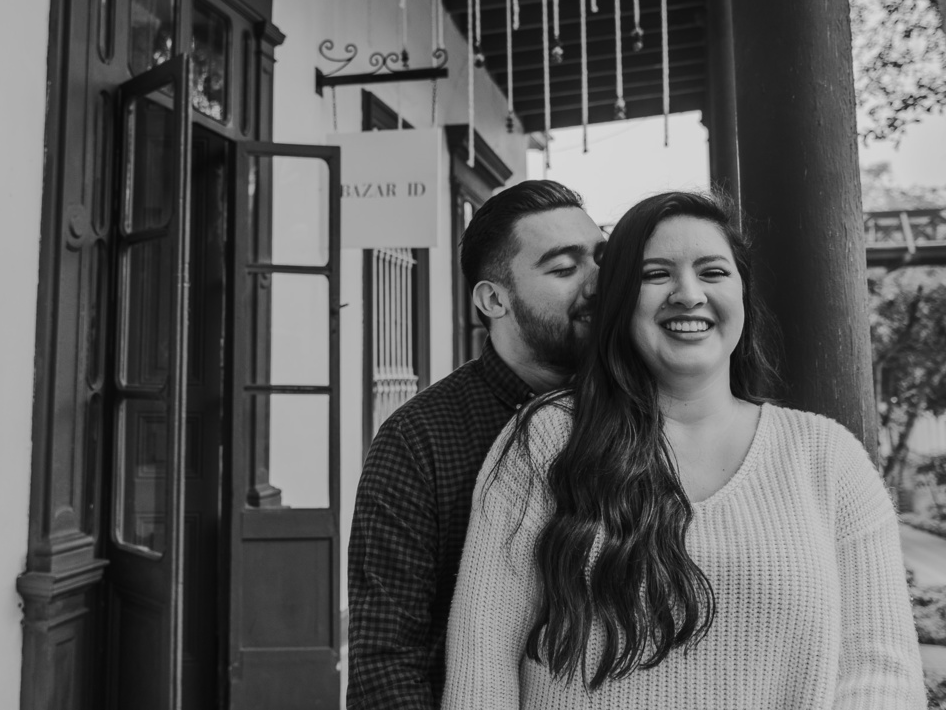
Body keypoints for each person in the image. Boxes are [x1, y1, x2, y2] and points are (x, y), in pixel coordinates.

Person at [442, 190, 925, 709]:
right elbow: (482, 667)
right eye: (655, 275)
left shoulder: (828, 457)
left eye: (713, 272)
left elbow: (881, 669)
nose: (688, 293)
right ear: (620, 300)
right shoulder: (546, 440)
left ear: (743, 294)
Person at [347, 180, 606, 709]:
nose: (599, 284)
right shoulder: (419, 441)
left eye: (601, 258)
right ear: (493, 299)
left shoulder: (643, 410)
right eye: (563, 268)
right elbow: (385, 662)